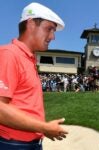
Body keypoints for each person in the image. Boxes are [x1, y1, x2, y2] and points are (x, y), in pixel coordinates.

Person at [0, 2, 68, 150]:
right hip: (13, 145)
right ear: (31, 24)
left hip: (30, 144)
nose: (53, 36)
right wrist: (44, 127)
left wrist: (42, 129)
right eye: (49, 29)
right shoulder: (9, 54)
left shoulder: (28, 59)